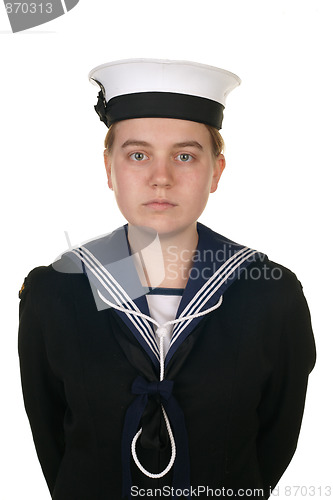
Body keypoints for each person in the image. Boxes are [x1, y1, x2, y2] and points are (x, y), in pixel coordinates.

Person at [18, 59, 316, 500]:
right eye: (138, 155)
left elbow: (273, 440)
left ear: (216, 171)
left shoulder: (269, 293)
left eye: (185, 155)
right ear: (109, 168)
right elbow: (52, 437)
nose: (161, 178)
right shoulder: (57, 291)